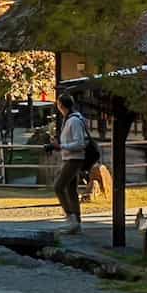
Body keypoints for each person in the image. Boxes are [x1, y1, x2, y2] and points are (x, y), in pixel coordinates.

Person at [51, 92, 87, 233]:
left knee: (58, 186)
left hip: (75, 158)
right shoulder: (69, 119)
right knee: (71, 190)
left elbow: (79, 142)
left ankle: (70, 218)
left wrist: (62, 146)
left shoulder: (74, 120)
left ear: (60, 105)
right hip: (69, 157)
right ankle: (76, 222)